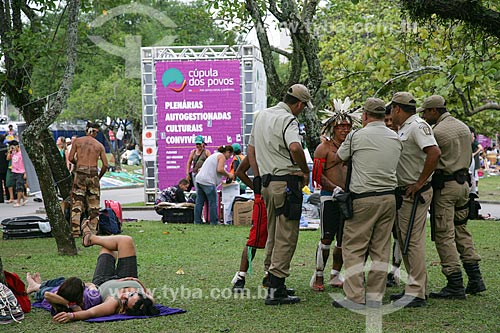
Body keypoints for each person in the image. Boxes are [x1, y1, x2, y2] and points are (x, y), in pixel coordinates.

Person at [329, 97, 402, 309]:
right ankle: (375, 296)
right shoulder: (395, 137)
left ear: (365, 116)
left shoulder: (357, 136)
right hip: (389, 198)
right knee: (381, 248)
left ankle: (355, 297)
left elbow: (341, 157)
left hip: (363, 198)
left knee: (354, 248)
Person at [248, 83, 313, 305]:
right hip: (286, 182)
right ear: (299, 104)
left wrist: (258, 177)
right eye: (303, 107)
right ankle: (276, 287)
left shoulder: (262, 115)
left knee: (274, 233)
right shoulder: (288, 120)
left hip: (267, 183)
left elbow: (251, 150)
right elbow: (295, 147)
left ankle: (272, 277)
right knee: (287, 235)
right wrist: (305, 171)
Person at [420, 95, 486, 299]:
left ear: (434, 111)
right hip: (463, 185)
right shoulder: (463, 127)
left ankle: (454, 282)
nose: (423, 116)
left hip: (446, 187)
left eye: (425, 112)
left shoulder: (437, 132)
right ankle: (476, 279)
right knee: (461, 229)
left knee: (443, 234)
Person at [389, 92, 441, 308]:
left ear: (397, 109)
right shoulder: (405, 127)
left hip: (415, 193)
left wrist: (419, 182)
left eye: (391, 109)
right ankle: (415, 287)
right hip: (405, 192)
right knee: (405, 240)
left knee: (412, 241)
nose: (391, 113)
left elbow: (434, 153)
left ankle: (417, 292)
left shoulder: (417, 126)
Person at [52, 227, 158, 323]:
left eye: (126, 301)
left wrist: (72, 316)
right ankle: (91, 238)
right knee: (126, 240)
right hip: (128, 275)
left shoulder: (114, 303)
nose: (124, 295)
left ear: (124, 309)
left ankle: (91, 238)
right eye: (131, 294)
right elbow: (149, 295)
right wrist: (136, 281)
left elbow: (91, 313)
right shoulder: (148, 301)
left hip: (103, 280)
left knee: (108, 247)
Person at [310, 98, 358, 292]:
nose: (345, 130)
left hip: (347, 197)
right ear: (333, 128)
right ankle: (318, 275)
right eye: (340, 127)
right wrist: (334, 188)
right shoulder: (323, 148)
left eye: (347, 126)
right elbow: (317, 175)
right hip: (329, 196)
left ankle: (336, 274)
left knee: (343, 239)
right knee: (326, 238)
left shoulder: (353, 147)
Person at [68, 122, 109, 237]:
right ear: (95, 132)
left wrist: (79, 164)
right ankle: (92, 231)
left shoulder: (77, 141)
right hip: (93, 174)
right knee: (94, 205)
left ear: (87, 130)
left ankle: (75, 231)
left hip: (80, 174)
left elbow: (70, 158)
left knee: (77, 202)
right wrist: (98, 177)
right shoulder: (99, 145)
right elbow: (105, 165)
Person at [194, 145, 234, 225]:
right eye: (230, 155)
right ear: (227, 152)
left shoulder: (214, 155)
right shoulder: (221, 156)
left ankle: (197, 221)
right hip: (208, 182)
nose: (229, 157)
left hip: (199, 180)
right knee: (213, 202)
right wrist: (229, 175)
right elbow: (220, 169)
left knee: (199, 202)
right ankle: (214, 221)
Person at [26, 274, 101, 314]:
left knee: (43, 290)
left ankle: (35, 286)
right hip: (58, 289)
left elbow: (47, 295)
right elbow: (91, 285)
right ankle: (36, 285)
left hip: (57, 290)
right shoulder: (93, 297)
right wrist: (71, 304)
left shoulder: (58, 302)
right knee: (60, 281)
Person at [7, 140, 28, 207]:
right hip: (14, 171)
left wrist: (25, 173)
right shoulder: (13, 153)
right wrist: (10, 152)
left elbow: (25, 164)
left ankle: (18, 202)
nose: (12, 148)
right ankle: (24, 198)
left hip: (20, 172)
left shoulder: (21, 154)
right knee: (16, 187)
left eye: (13, 147)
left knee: (19, 187)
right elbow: (7, 158)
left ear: (17, 146)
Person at [469, 127, 483, 194]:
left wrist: (474, 154)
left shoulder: (474, 141)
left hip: (474, 159)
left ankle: (474, 190)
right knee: (474, 175)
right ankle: (475, 190)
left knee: (474, 175)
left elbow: (480, 148)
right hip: (473, 159)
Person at [0, 134, 9, 203]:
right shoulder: (6, 147)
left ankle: (1, 198)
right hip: (5, 167)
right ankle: (9, 196)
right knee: (7, 182)